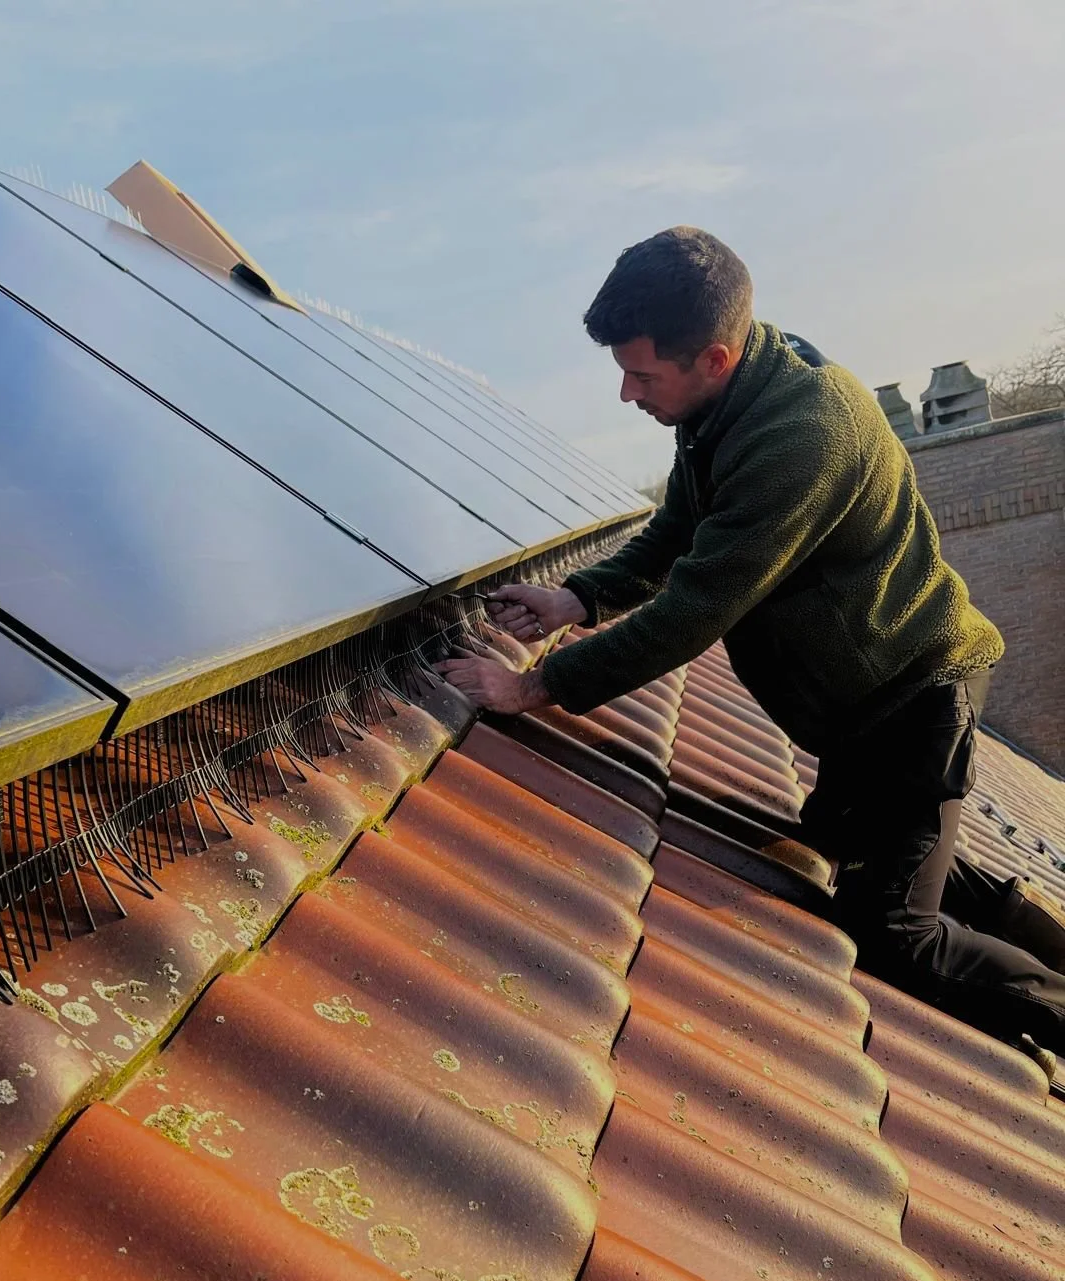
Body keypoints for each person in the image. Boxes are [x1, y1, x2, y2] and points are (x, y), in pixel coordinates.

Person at [434, 226, 1065, 1067]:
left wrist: (535, 688)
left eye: (642, 374)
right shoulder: (732, 402)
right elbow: (682, 527)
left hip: (915, 699)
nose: (626, 393)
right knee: (851, 841)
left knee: (891, 930)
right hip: (867, 705)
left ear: (715, 358)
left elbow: (696, 607)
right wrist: (577, 595)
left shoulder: (800, 437)